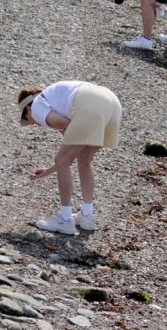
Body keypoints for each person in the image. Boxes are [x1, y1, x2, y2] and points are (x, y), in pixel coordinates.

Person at [18, 81, 122, 235]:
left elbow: (68, 129)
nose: (32, 123)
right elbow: (74, 152)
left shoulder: (37, 106)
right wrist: (48, 171)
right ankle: (87, 216)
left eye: (27, 118)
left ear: (28, 108)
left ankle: (65, 219)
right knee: (85, 160)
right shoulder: (59, 100)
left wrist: (57, 165)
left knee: (63, 160)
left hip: (90, 103)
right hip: (112, 103)